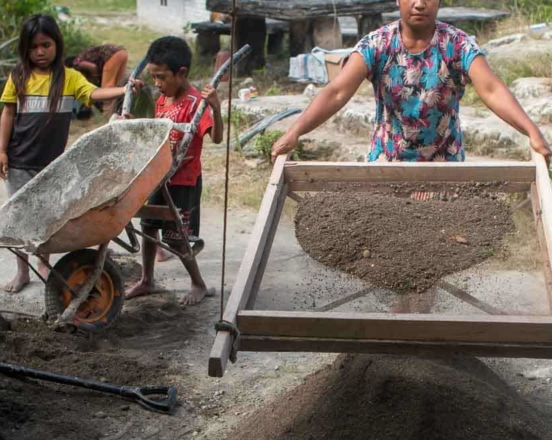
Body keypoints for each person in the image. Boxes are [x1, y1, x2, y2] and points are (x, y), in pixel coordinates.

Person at [272, 0, 551, 164]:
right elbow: (336, 92)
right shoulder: (377, 44)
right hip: (387, 161)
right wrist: (295, 131)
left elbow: (492, 90)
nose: (419, 3)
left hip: (444, 163)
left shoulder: (457, 44)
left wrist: (532, 132)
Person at [0, 14, 129, 294]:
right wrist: (1, 152)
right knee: (19, 218)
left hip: (51, 163)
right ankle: (22, 272)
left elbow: (94, 94)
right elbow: (8, 112)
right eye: (33, 47)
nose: (40, 52)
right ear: (25, 49)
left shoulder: (68, 78)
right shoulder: (18, 76)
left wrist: (125, 88)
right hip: (19, 161)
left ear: (56, 44)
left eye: (46, 45)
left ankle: (43, 263)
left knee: (47, 217)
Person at [123, 36, 224, 305]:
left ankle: (198, 284)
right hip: (160, 176)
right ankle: (147, 280)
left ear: (181, 73)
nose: (157, 83)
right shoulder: (162, 100)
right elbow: (158, 135)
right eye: (153, 77)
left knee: (177, 237)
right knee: (149, 228)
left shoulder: (195, 103)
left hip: (183, 180)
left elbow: (216, 138)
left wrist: (216, 108)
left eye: (161, 77)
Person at [67, 44, 129, 113]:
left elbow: (93, 67)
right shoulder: (83, 60)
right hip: (122, 53)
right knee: (117, 88)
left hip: (112, 56)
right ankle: (118, 111)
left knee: (106, 89)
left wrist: (96, 78)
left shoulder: (76, 63)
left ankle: (107, 113)